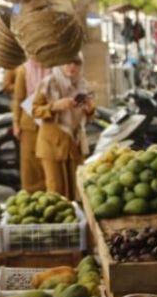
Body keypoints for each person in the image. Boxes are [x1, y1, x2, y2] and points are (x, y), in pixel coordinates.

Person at [32, 56, 95, 199]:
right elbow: (34, 110)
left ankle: (77, 220)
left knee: (77, 189)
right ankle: (60, 222)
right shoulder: (48, 83)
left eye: (76, 63)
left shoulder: (83, 85)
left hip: (75, 143)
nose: (72, 66)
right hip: (52, 144)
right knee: (56, 189)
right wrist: (55, 106)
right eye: (68, 62)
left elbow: (89, 116)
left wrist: (90, 108)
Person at [11, 59, 48, 193]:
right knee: (30, 167)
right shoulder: (24, 70)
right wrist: (15, 122)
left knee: (48, 165)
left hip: (49, 123)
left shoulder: (55, 68)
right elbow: (18, 98)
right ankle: (30, 196)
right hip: (29, 125)